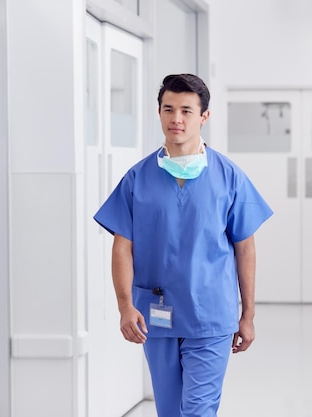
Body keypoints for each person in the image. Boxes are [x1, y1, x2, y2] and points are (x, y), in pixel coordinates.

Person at [93, 73, 273, 417]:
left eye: (187, 111)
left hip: (211, 315)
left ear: (204, 116)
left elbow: (245, 248)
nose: (176, 119)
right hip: (157, 316)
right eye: (168, 109)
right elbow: (122, 248)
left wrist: (247, 314)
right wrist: (125, 306)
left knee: (197, 411)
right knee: (170, 411)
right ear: (159, 113)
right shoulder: (138, 178)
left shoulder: (228, 176)